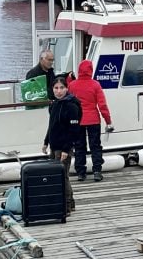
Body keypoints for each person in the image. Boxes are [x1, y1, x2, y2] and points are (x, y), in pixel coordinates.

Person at [67, 60, 114, 182]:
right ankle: (97, 171)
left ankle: (81, 173)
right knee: (95, 146)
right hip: (93, 119)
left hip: (78, 120)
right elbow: (102, 105)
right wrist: (108, 121)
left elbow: (69, 102)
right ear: (91, 71)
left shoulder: (72, 85)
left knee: (79, 146)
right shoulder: (95, 85)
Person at [42, 76, 82, 213]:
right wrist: (46, 141)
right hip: (54, 145)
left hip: (64, 147)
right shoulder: (54, 105)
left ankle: (66, 205)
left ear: (66, 88)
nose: (58, 91)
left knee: (62, 176)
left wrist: (67, 148)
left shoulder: (71, 106)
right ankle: (69, 203)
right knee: (57, 175)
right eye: (56, 88)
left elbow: (74, 130)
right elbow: (51, 125)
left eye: (61, 88)